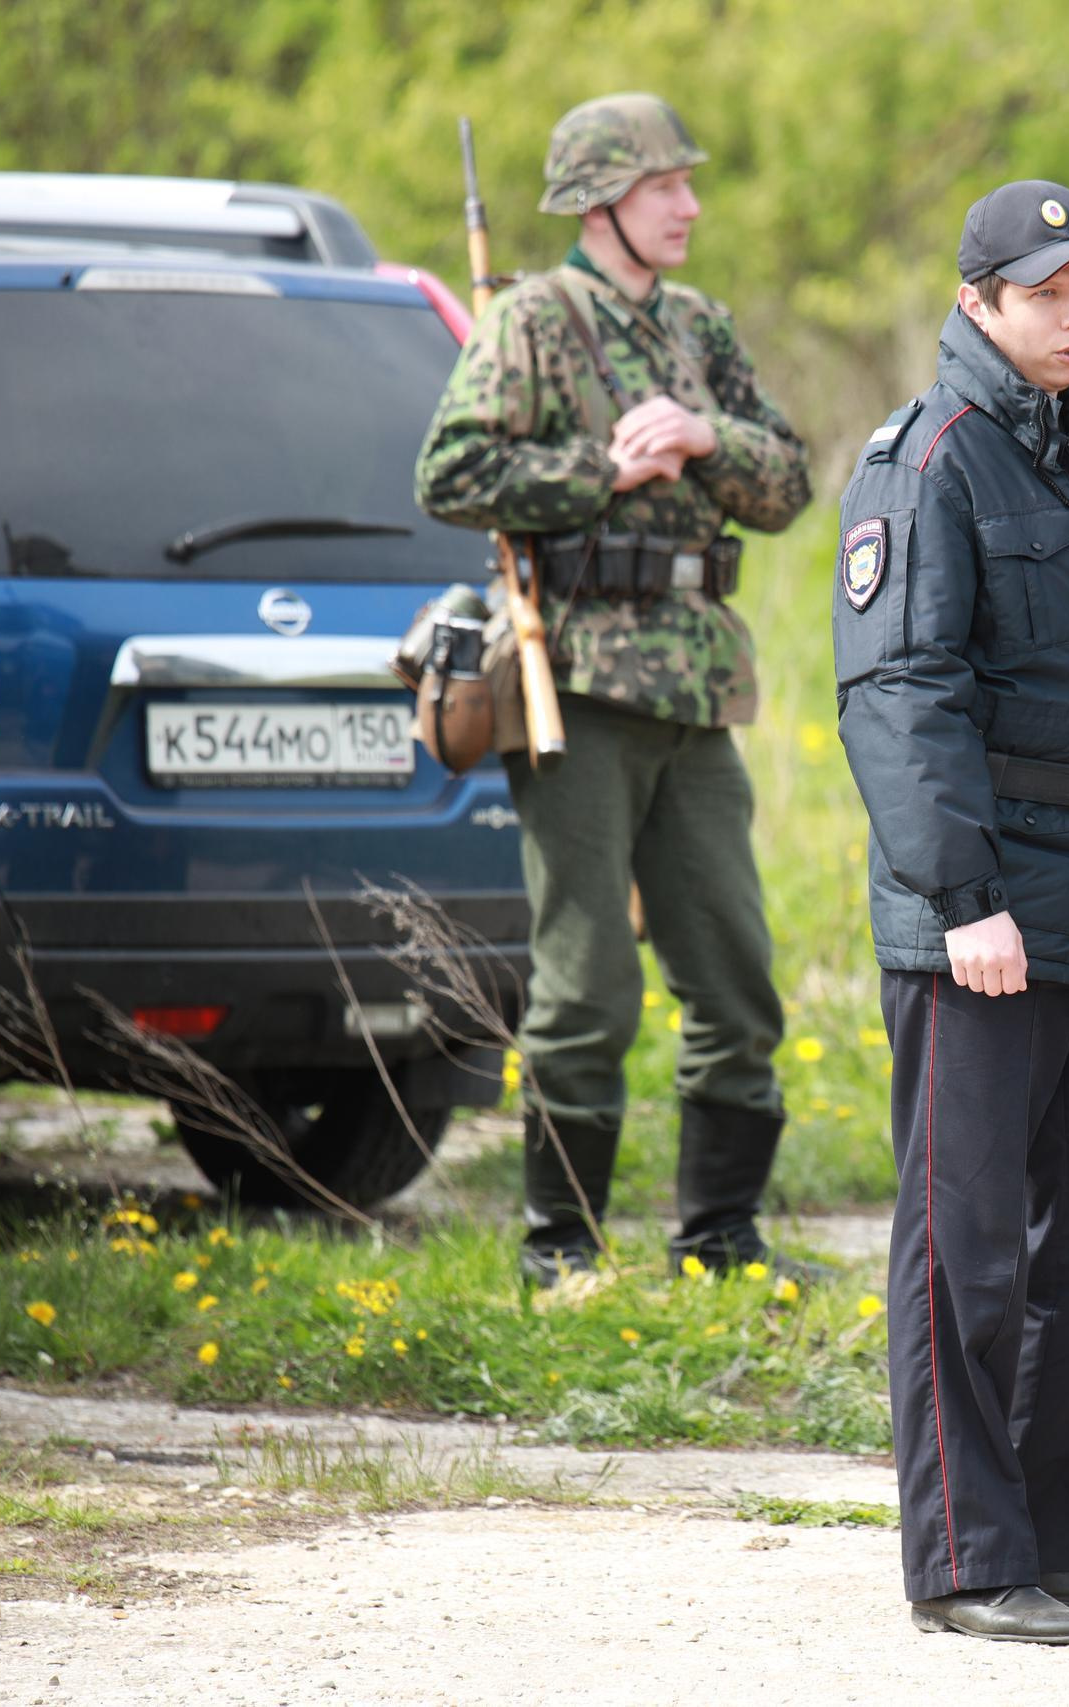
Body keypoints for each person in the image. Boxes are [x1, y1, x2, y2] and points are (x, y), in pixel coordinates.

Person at [833, 181, 1069, 1646]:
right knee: (967, 1241)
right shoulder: (929, 460)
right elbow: (898, 698)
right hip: (984, 910)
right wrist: (960, 898)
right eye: (1047, 293)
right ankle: (964, 1556)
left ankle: (1043, 1533)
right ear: (980, 300)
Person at [413, 93, 814, 1286]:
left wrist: (703, 439)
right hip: (575, 687)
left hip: (697, 692)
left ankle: (720, 1243)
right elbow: (451, 469)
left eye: (686, 183)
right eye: (661, 187)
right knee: (587, 992)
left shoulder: (700, 327)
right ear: (599, 204)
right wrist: (601, 467)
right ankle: (560, 1252)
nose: (688, 204)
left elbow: (787, 481)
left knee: (736, 983)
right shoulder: (533, 321)